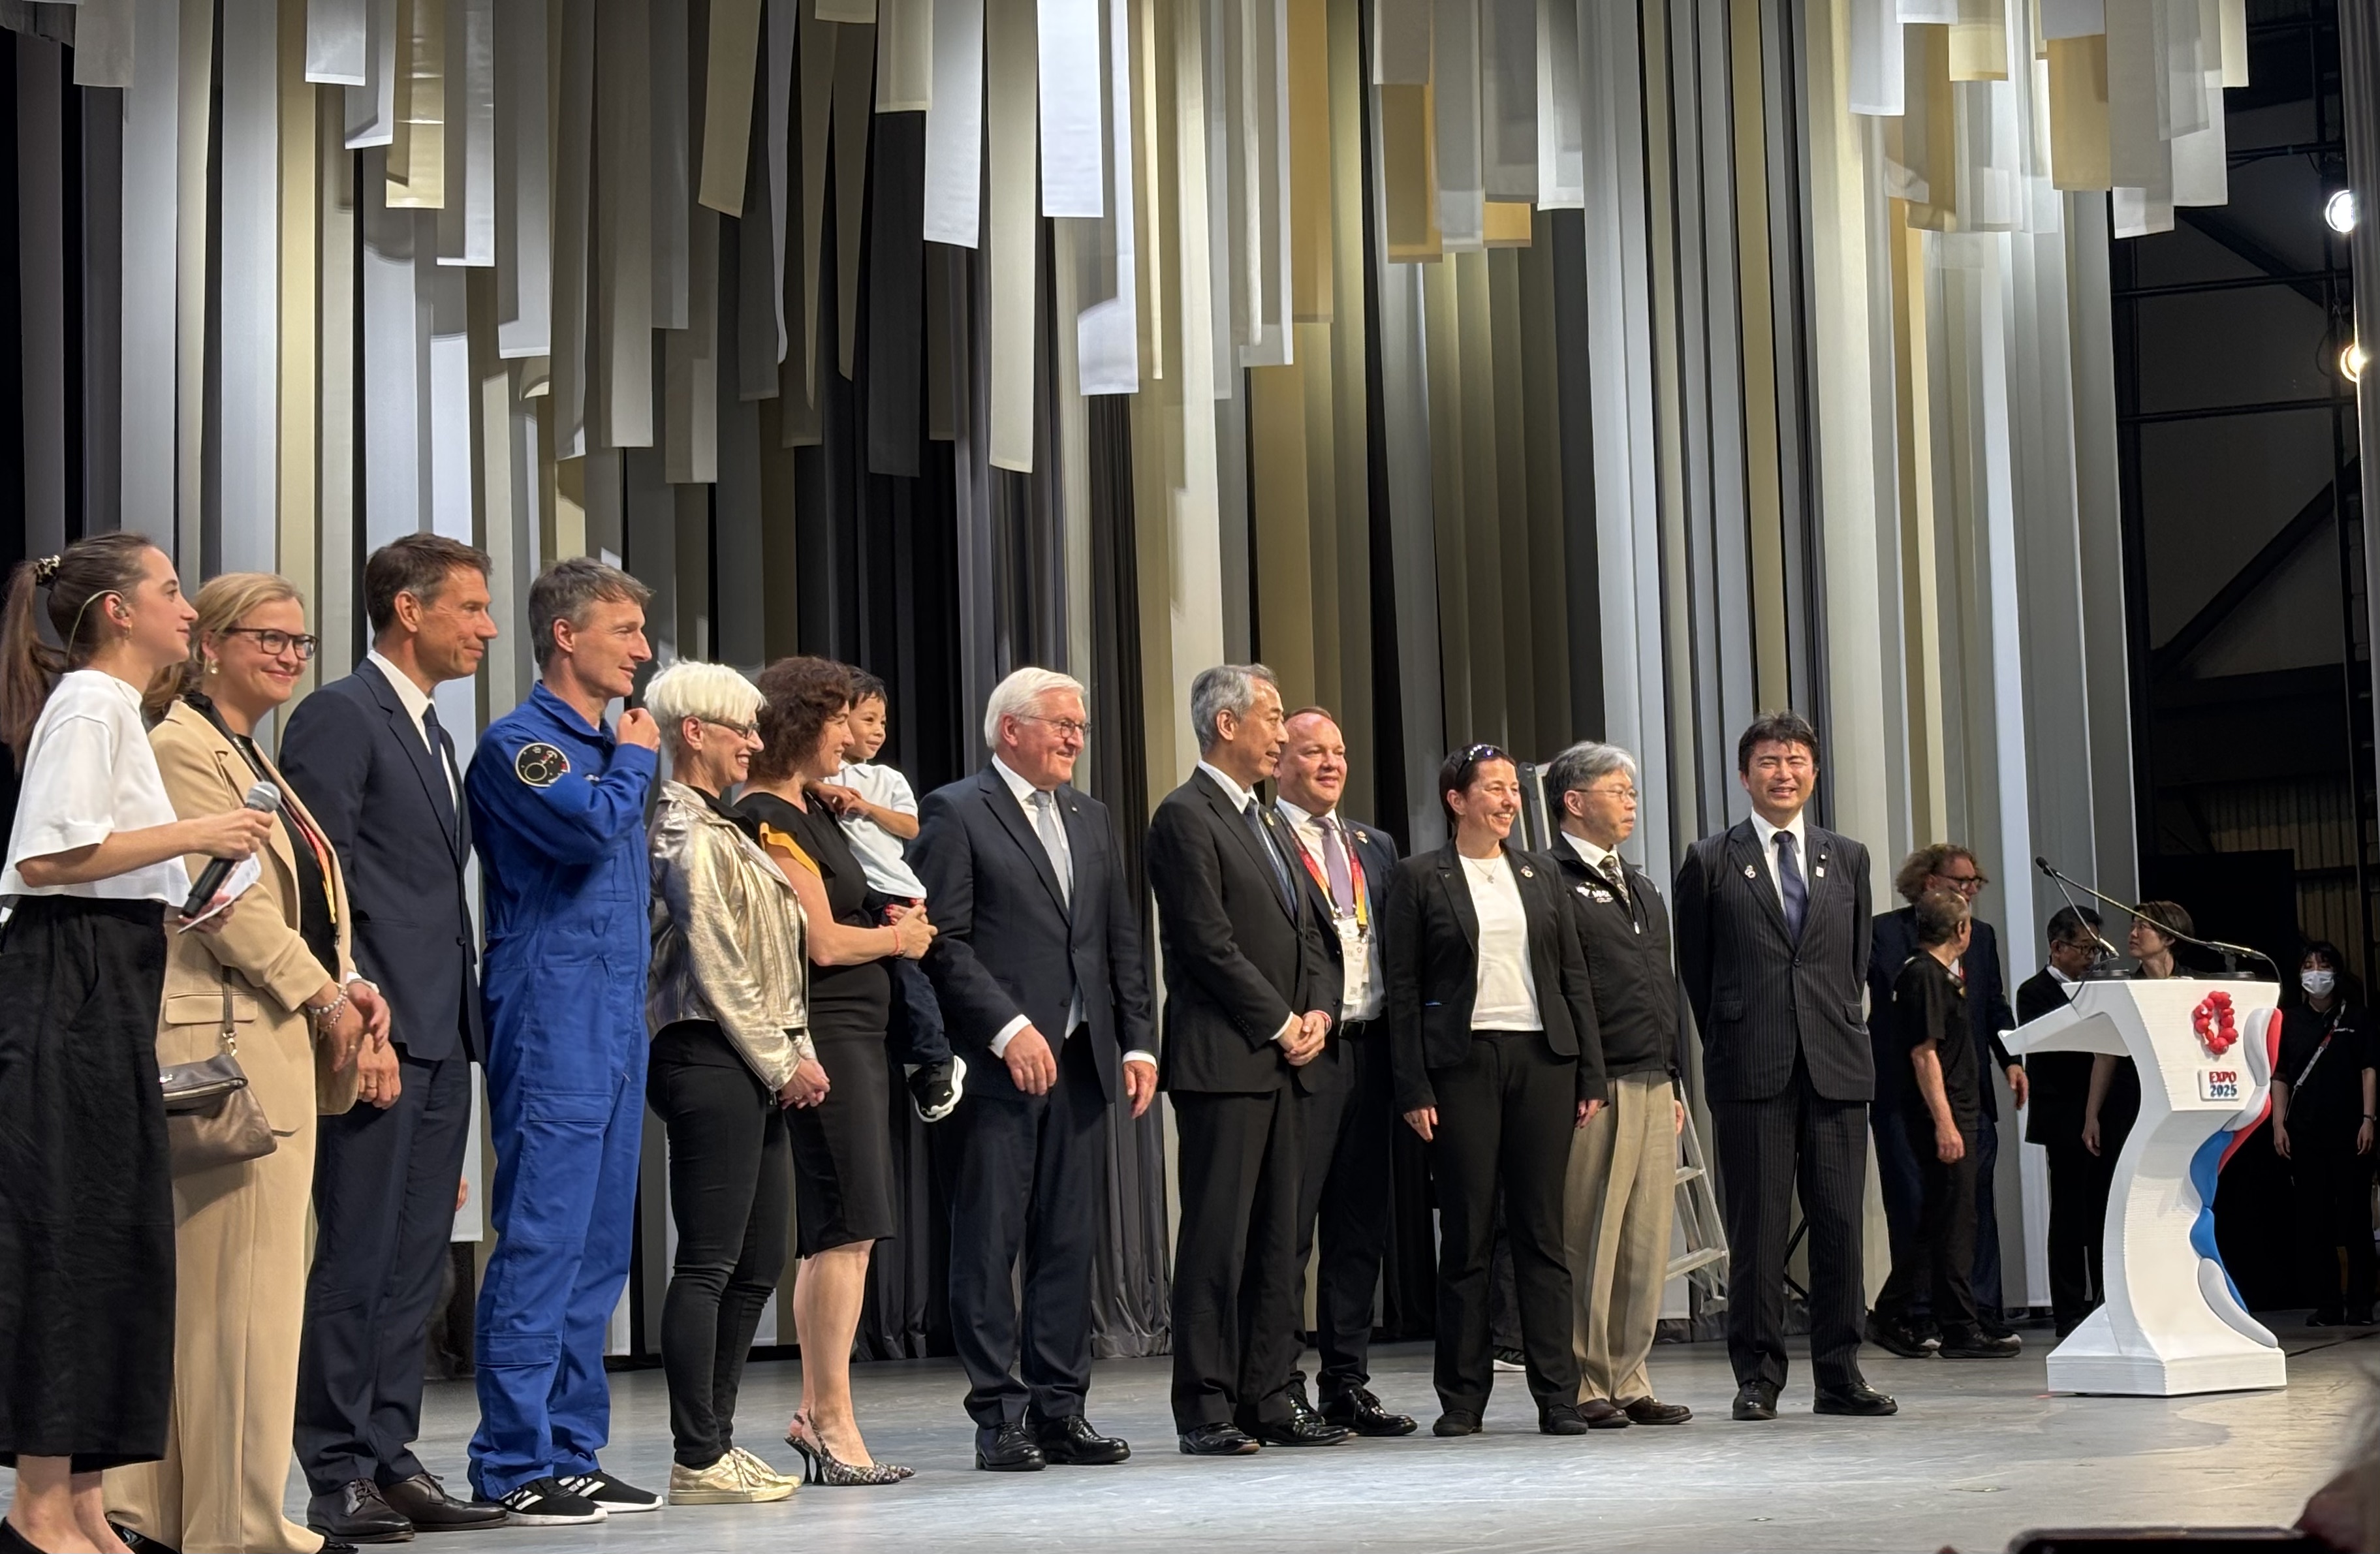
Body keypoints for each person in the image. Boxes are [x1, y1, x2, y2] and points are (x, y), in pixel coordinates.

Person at [106, 574, 392, 1554]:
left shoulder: (245, 752)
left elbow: (307, 896)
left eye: (299, 644)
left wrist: (352, 983)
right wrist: (321, 992)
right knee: (241, 1297)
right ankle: (235, 1523)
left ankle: (162, 1512)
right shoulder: (183, 746)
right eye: (265, 637)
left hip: (269, 1031)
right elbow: (224, 901)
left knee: (226, 1291)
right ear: (212, 644)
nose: (285, 656)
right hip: (229, 1036)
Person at [0, 536, 274, 1554]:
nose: (185, 608)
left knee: (117, 1241)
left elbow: (104, 860)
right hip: (63, 981)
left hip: (111, 973)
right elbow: (47, 853)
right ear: (117, 612)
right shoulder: (88, 702)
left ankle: (81, 1504)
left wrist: (182, 885)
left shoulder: (114, 709)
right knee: (67, 1241)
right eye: (167, 590)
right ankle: (37, 1508)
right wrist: (196, 836)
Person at [279, 534, 510, 1542]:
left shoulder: (437, 734)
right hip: (375, 1028)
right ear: (407, 612)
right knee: (359, 1254)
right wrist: (350, 1007)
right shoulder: (339, 715)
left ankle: (390, 1452)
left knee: (418, 1260)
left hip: (438, 1027)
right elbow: (313, 882)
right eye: (469, 609)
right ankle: (334, 1471)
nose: (486, 628)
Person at [913, 668, 1157, 1472]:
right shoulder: (955, 810)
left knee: (1068, 1241)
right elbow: (942, 940)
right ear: (1009, 729)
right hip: (998, 1067)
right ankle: (999, 1415)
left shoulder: (1090, 816)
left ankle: (1061, 1408)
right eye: (1061, 724)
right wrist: (1008, 1027)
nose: (1075, 739)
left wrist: (1135, 1040)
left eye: (1080, 726)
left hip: (1084, 1066)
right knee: (988, 1243)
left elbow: (1119, 936)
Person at [463, 558, 661, 1525]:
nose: (642, 649)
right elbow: (586, 834)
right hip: (552, 1017)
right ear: (565, 636)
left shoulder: (614, 742)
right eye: (623, 629)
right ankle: (509, 1457)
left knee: (595, 1250)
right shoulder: (521, 746)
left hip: (618, 1018)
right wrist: (633, 758)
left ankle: (571, 1448)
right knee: (542, 1239)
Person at [738, 657, 932, 1485]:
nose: (850, 737)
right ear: (799, 725)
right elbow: (819, 942)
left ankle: (821, 1409)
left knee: (845, 1231)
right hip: (827, 1028)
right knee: (844, 1227)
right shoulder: (765, 816)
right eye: (837, 721)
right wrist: (900, 939)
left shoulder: (812, 805)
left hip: (858, 1026)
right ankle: (829, 1417)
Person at [1144, 664, 1345, 1456]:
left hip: (1289, 1061)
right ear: (1226, 725)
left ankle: (1269, 1394)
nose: (1280, 730)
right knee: (1218, 1240)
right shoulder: (1184, 815)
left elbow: (1314, 930)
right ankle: (1205, 1404)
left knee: (1277, 1243)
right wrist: (1279, 1020)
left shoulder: (1266, 820)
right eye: (1270, 716)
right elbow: (1204, 941)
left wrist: (1320, 1010)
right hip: (1225, 1061)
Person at [1674, 711, 1892, 1422]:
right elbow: (1696, 974)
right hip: (1751, 1064)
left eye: (1797, 759)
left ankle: (1839, 1373)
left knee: (1837, 1226)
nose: (1784, 771)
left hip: (1835, 1061)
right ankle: (1758, 1377)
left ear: (1814, 771)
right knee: (1759, 1229)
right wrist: (1734, 1034)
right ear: (1744, 774)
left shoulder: (1848, 855)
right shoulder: (1709, 858)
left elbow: (1853, 959)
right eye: (1769, 760)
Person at [1387, 745, 1605, 1439]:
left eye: (1514, 789)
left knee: (1543, 1232)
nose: (1509, 800)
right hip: (1462, 1064)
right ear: (1456, 799)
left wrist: (1590, 1072)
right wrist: (1413, 1082)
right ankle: (1461, 1398)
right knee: (1469, 1234)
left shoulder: (1540, 874)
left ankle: (1557, 1394)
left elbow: (1574, 977)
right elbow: (1402, 989)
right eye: (1494, 789)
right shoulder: (1419, 878)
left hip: (1542, 1058)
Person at [642, 661, 815, 1504]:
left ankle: (715, 1442)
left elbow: (778, 962)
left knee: (758, 1259)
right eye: (741, 728)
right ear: (694, 733)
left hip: (755, 1059)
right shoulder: (679, 827)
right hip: (707, 1053)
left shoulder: (728, 827)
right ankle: (695, 1451)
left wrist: (794, 1051)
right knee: (709, 1258)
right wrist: (787, 1061)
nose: (754, 742)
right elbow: (715, 963)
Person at [1270, 707, 1415, 1438]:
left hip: (1373, 1047)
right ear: (1279, 760)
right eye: (1313, 750)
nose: (1331, 762)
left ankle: (1346, 1381)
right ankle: (1278, 1380)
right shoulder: (1266, 835)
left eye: (1340, 749)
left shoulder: (1372, 843)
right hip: (1303, 1052)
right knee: (1292, 1228)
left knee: (1360, 1229)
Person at [1544, 740, 1692, 1428]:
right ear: (1574, 800)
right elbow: (1561, 989)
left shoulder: (1641, 882)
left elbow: (1662, 987)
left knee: (1643, 1237)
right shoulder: (1547, 878)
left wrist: (1676, 1078)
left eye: (1633, 790)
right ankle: (1583, 1378)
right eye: (1617, 789)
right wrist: (1581, 1074)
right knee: (1590, 1235)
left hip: (1652, 1076)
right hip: (1595, 1083)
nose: (1631, 800)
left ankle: (1630, 1374)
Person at [1864, 845, 2028, 1350]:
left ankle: (1974, 1310)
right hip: (1907, 1092)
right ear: (1929, 880)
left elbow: (1993, 1004)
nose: (1970, 889)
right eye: (1960, 880)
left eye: (1976, 881)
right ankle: (1914, 1313)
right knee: (1920, 1206)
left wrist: (2012, 1059)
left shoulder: (1981, 937)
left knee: (1969, 1206)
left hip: (1965, 1087)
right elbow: (1912, 1026)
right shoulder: (1886, 934)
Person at [814, 668, 963, 1121]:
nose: (878, 730)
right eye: (866, 720)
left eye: (883, 721)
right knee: (882, 982)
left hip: (896, 890)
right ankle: (916, 1061)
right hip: (859, 893)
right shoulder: (821, 773)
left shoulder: (888, 780)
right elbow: (800, 782)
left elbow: (911, 826)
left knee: (905, 978)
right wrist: (825, 788)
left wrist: (865, 806)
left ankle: (935, 1059)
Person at [2017, 905, 2116, 1337]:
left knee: (2103, 1210)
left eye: (2096, 949)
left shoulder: (2100, 987)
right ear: (2057, 947)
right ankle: (2069, 1309)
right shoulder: (2034, 990)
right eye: (2084, 948)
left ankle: (2107, 1301)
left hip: (2103, 1110)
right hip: (2063, 1112)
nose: (2091, 957)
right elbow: (2056, 1046)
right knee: (2070, 1214)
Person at [2273, 941, 2376, 1326]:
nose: (2317, 972)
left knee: (2355, 1220)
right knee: (2313, 1222)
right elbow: (2280, 1076)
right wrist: (2278, 1124)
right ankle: (2328, 1304)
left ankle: (2362, 1304)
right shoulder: (2288, 1021)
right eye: (2309, 965)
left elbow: (2370, 1068)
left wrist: (2369, 1118)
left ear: (2337, 971)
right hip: (2304, 1133)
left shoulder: (2359, 1017)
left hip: (2351, 1132)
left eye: (2324, 964)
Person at [2082, 902, 2185, 1162]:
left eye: (2143, 927)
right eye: (2132, 927)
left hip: (2181, 1100)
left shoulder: (2193, 985)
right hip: (2130, 1100)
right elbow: (2105, 1056)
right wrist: (2091, 1115)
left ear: (2170, 938)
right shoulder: (2123, 990)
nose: (2133, 934)